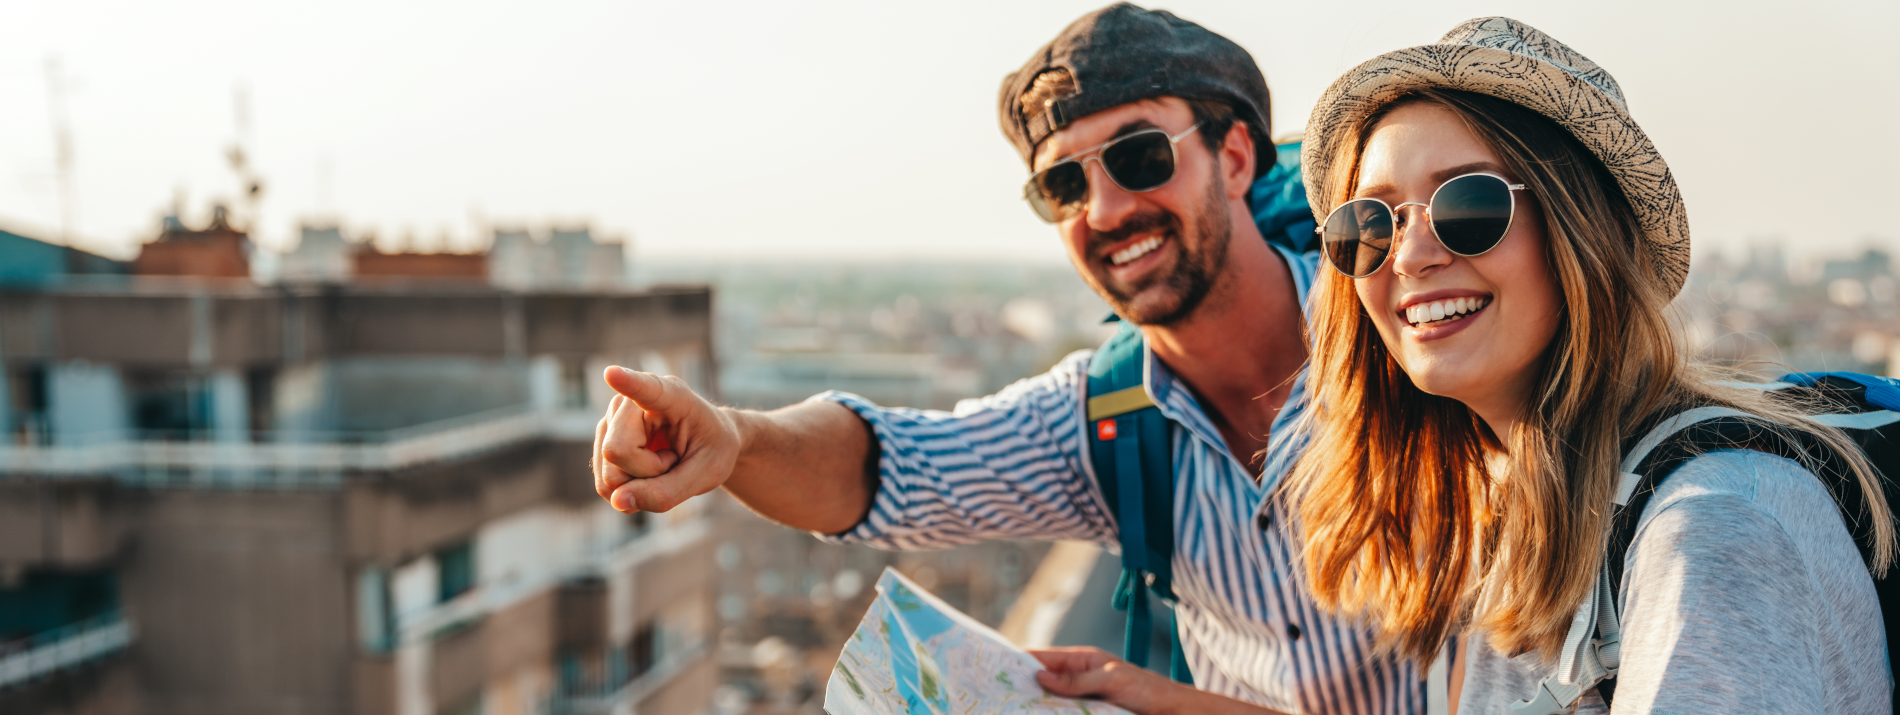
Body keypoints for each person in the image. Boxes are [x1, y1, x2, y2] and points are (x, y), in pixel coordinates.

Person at [592, 3, 1429, 714]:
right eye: (1063, 186)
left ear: (1237, 156)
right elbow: (887, 467)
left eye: (1140, 157)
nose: (1105, 208)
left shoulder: (1407, 334)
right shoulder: (1103, 417)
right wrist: (735, 438)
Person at [1276, 17, 1894, 714]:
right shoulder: (1521, 511)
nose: (1412, 255)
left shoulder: (1713, 528)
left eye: (1469, 205)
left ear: (1581, 231)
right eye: (1371, 225)